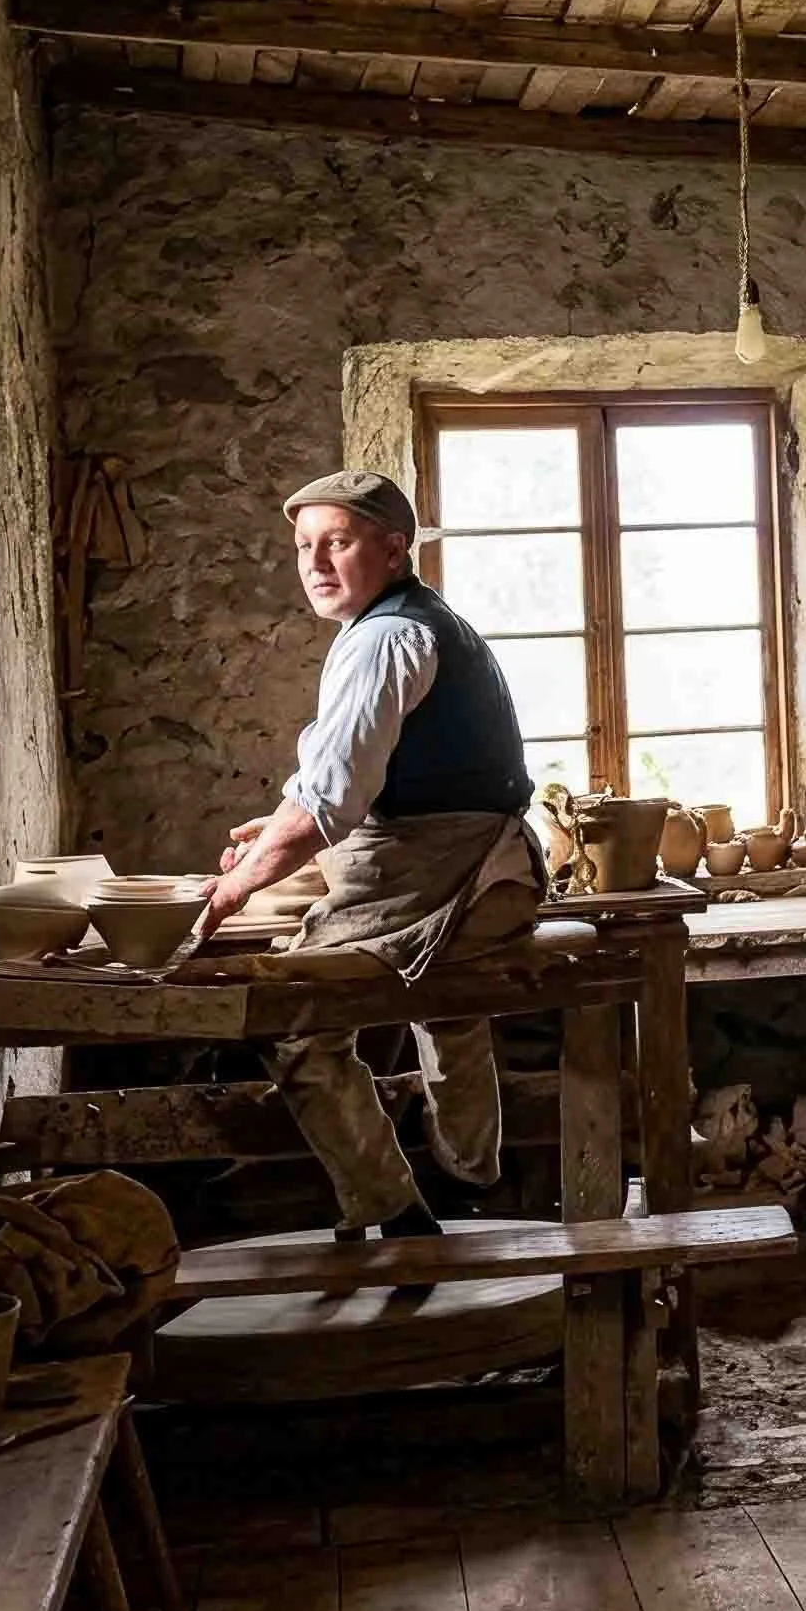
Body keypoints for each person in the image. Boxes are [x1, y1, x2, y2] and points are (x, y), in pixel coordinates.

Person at [198, 470, 545, 1239]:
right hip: (488, 869)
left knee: (289, 1021)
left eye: (339, 543)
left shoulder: (388, 637)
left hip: (451, 875)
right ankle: (472, 1173)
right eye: (304, 547)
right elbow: (362, 780)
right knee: (446, 1006)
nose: (316, 563)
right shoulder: (416, 621)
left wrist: (228, 894)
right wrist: (279, 824)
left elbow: (331, 801)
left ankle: (398, 1211)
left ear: (393, 550)